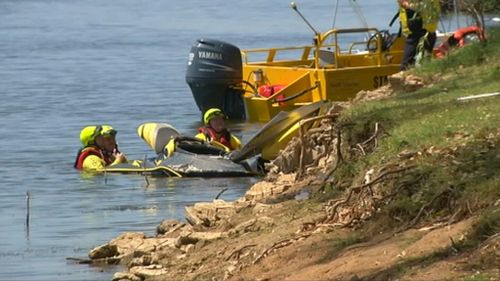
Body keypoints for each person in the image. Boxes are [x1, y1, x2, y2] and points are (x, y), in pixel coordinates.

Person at [398, 0, 440, 70]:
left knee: (406, 66)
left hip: (420, 33)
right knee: (422, 63)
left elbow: (423, 6)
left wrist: (406, 4)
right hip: (420, 32)